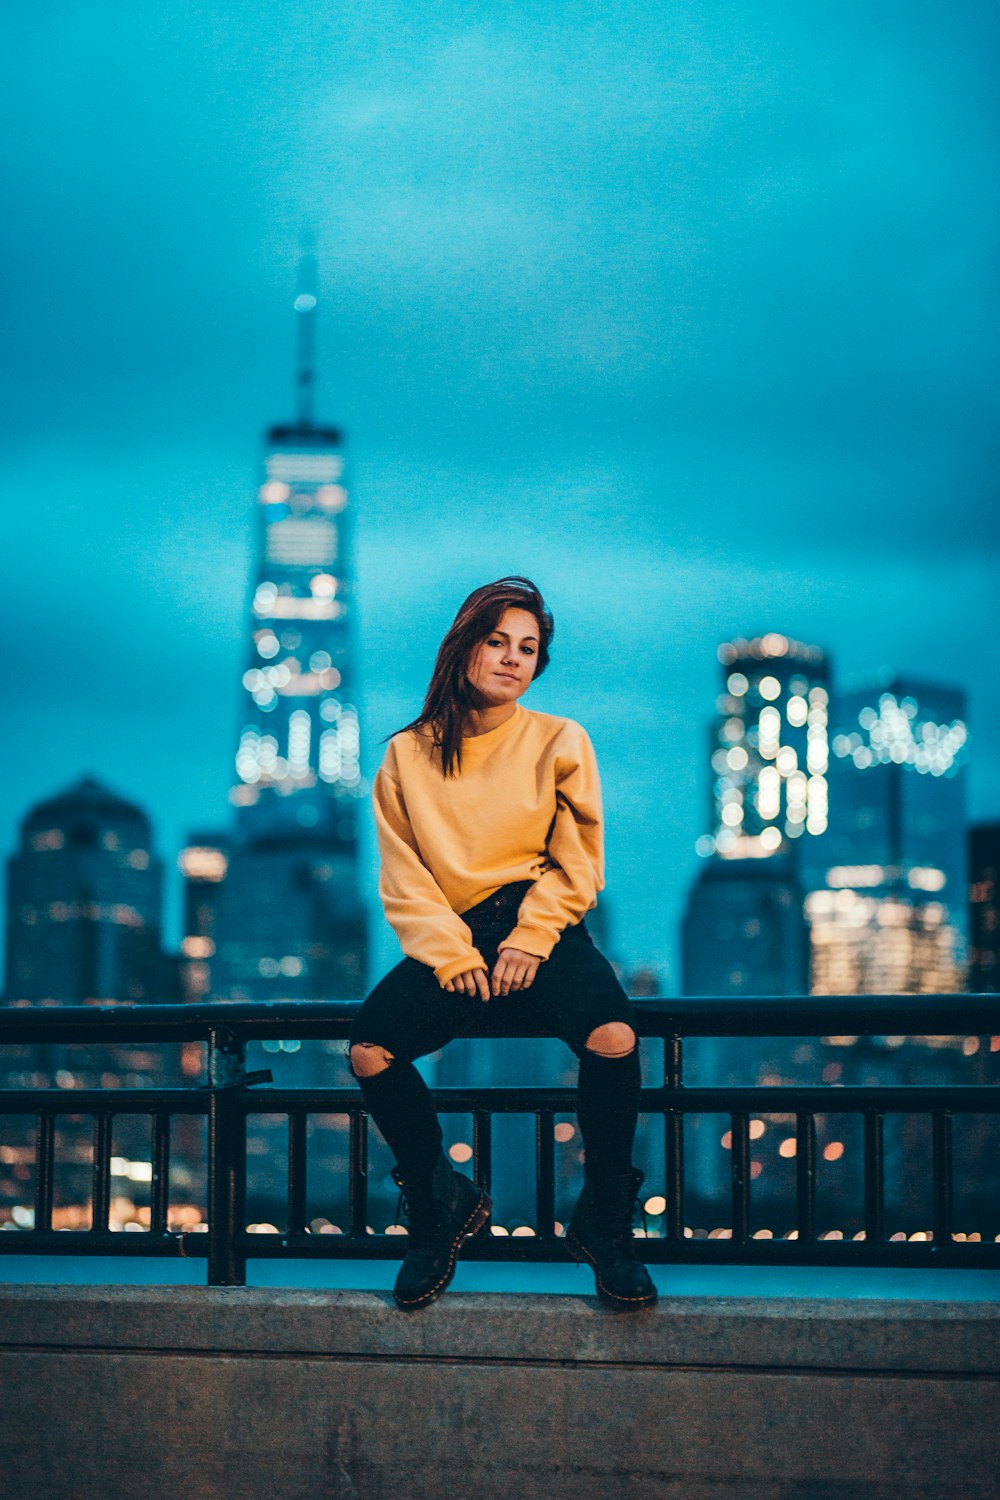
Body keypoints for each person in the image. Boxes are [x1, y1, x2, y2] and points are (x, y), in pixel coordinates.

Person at [349, 576, 656, 1312]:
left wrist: (531, 937)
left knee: (614, 1036)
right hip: (453, 931)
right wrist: (453, 955)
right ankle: (438, 1202)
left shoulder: (559, 739)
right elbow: (404, 876)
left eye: (529, 648)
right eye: (498, 642)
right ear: (464, 646)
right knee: (369, 1050)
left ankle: (605, 1224)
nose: (514, 659)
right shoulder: (406, 756)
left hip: (539, 923)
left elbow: (578, 861)